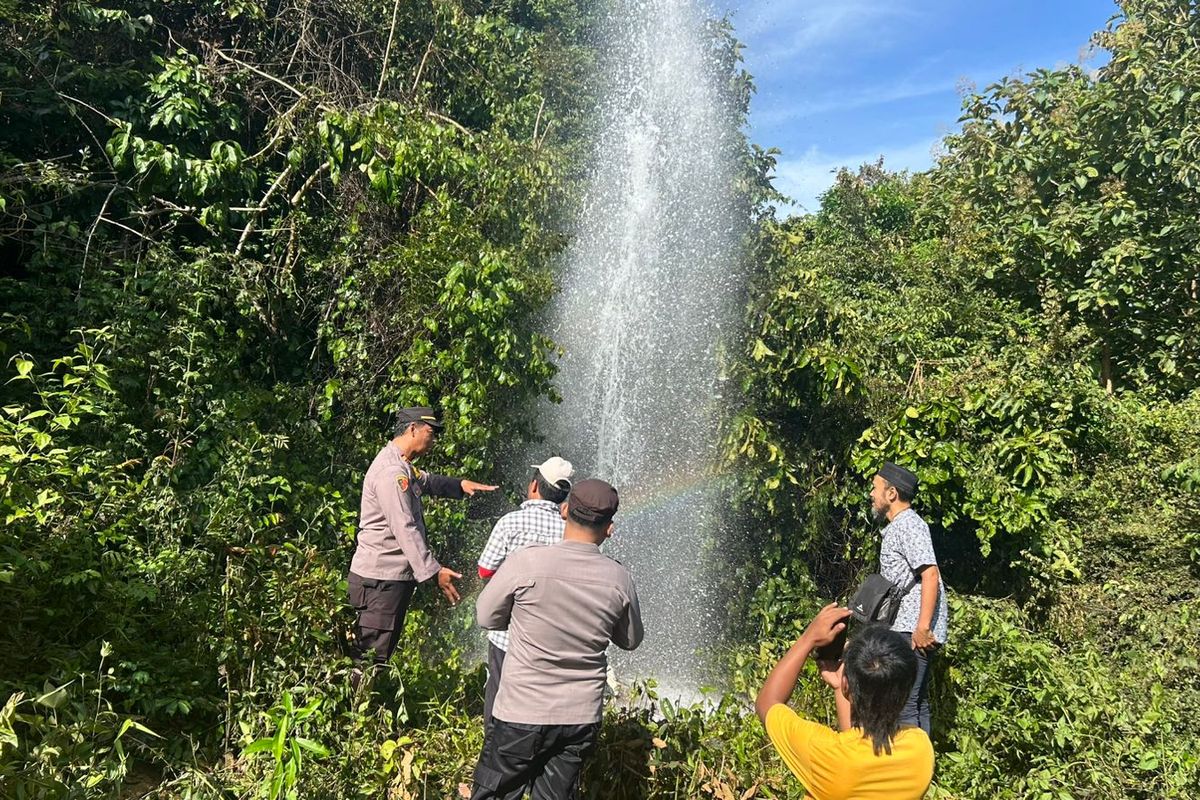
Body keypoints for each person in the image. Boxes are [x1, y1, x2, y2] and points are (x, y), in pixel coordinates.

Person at [468, 479, 643, 800]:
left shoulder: (526, 562)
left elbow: (485, 617)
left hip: (520, 712)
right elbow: (630, 640)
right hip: (579, 719)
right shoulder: (619, 578)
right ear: (610, 528)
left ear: (564, 510)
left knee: (493, 794)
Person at [346, 406, 497, 675]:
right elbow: (405, 527)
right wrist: (433, 572)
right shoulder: (392, 473)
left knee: (376, 653)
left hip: (385, 579)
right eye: (431, 432)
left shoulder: (401, 465)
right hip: (381, 580)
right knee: (370, 659)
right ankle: (357, 714)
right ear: (412, 429)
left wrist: (459, 485)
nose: (434, 439)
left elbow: (425, 481)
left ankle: (361, 709)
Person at [755, 605, 934, 799]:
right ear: (907, 691)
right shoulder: (920, 747)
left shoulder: (824, 753)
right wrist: (840, 687)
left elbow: (767, 703)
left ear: (848, 685)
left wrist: (808, 638)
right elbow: (857, 745)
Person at [476, 456, 575, 727]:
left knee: (498, 689)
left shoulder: (511, 523)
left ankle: (492, 749)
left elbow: (485, 570)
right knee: (539, 699)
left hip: (507, 633)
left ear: (534, 486)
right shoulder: (571, 532)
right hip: (552, 636)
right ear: (564, 497)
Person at [870, 461, 948, 733]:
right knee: (915, 701)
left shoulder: (909, 525)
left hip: (912, 628)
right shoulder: (900, 526)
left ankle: (909, 770)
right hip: (906, 626)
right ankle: (921, 768)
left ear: (891, 494)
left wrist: (923, 627)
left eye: (875, 487)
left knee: (904, 701)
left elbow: (930, 574)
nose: (871, 493)